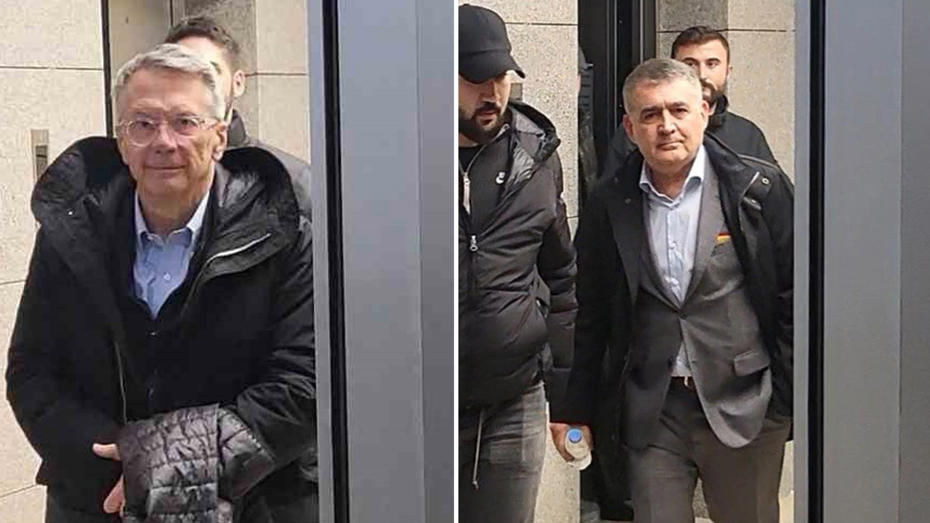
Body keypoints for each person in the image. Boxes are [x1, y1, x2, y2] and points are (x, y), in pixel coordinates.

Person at [6, 44, 316, 522]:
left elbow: (302, 384)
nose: (163, 141)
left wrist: (165, 468)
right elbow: (33, 372)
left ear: (219, 136)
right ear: (121, 141)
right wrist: (121, 471)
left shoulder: (282, 233)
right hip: (96, 501)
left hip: (249, 505)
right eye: (143, 124)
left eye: (185, 122)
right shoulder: (71, 233)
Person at [552, 58, 793, 523]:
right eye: (650, 114)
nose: (666, 126)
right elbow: (591, 310)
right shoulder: (611, 201)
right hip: (653, 409)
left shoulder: (757, 190)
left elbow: (793, 295)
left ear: (704, 110)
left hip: (746, 404)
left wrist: (783, 398)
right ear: (630, 128)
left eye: (678, 110)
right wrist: (574, 405)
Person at [458, 4, 576, 522]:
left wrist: (565, 396)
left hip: (514, 398)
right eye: (474, 79)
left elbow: (561, 276)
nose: (492, 93)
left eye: (501, 77)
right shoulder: (401, 159)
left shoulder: (535, 158)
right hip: (420, 403)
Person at [165, 15, 311, 218]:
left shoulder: (292, 182)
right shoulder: (143, 172)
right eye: (182, 70)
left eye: (209, 71)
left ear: (238, 83)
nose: (196, 83)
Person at [599, 26, 778, 188]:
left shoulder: (747, 134)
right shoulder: (638, 132)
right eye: (690, 64)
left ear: (727, 71)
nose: (701, 74)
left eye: (712, 64)